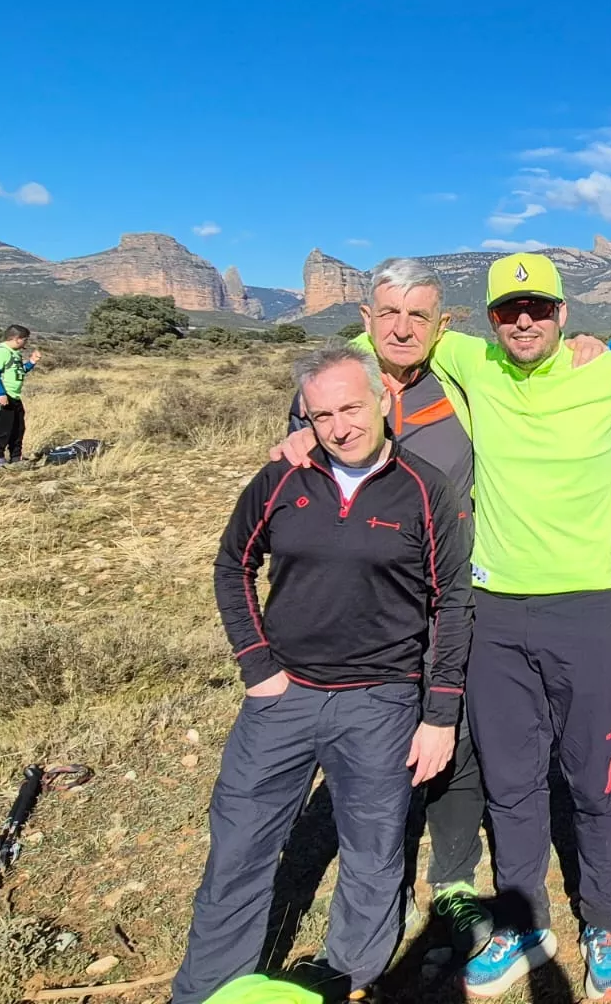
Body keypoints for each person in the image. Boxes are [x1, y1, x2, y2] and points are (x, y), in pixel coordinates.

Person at [274, 254, 611, 1001]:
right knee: (513, 784)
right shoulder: (471, 360)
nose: (524, 322)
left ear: (562, 313)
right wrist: (305, 423)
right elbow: (381, 341)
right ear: (488, 320)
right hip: (495, 613)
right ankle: (523, 924)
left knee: (598, 781)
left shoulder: (609, 373)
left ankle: (606, 925)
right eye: (508, 311)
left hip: (589, 609)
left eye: (539, 309)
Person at [174, 344, 474, 1004]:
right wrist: (257, 665)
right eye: (322, 416)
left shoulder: (425, 490)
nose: (340, 427)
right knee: (240, 845)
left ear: (383, 401)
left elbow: (452, 603)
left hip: (381, 700)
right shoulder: (282, 478)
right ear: (305, 419)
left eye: (351, 408)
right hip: (284, 696)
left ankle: (348, 978)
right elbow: (233, 565)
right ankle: (209, 988)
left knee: (372, 850)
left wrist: (439, 715)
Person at [0, 324, 39, 466]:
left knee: (18, 428)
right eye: (25, 339)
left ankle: (16, 457)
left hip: (14, 396)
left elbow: (18, 372)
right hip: (3, 395)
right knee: (3, 428)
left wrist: (31, 362)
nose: (26, 343)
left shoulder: (14, 353)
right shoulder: (0, 352)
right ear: (17, 338)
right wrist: (0, 394)